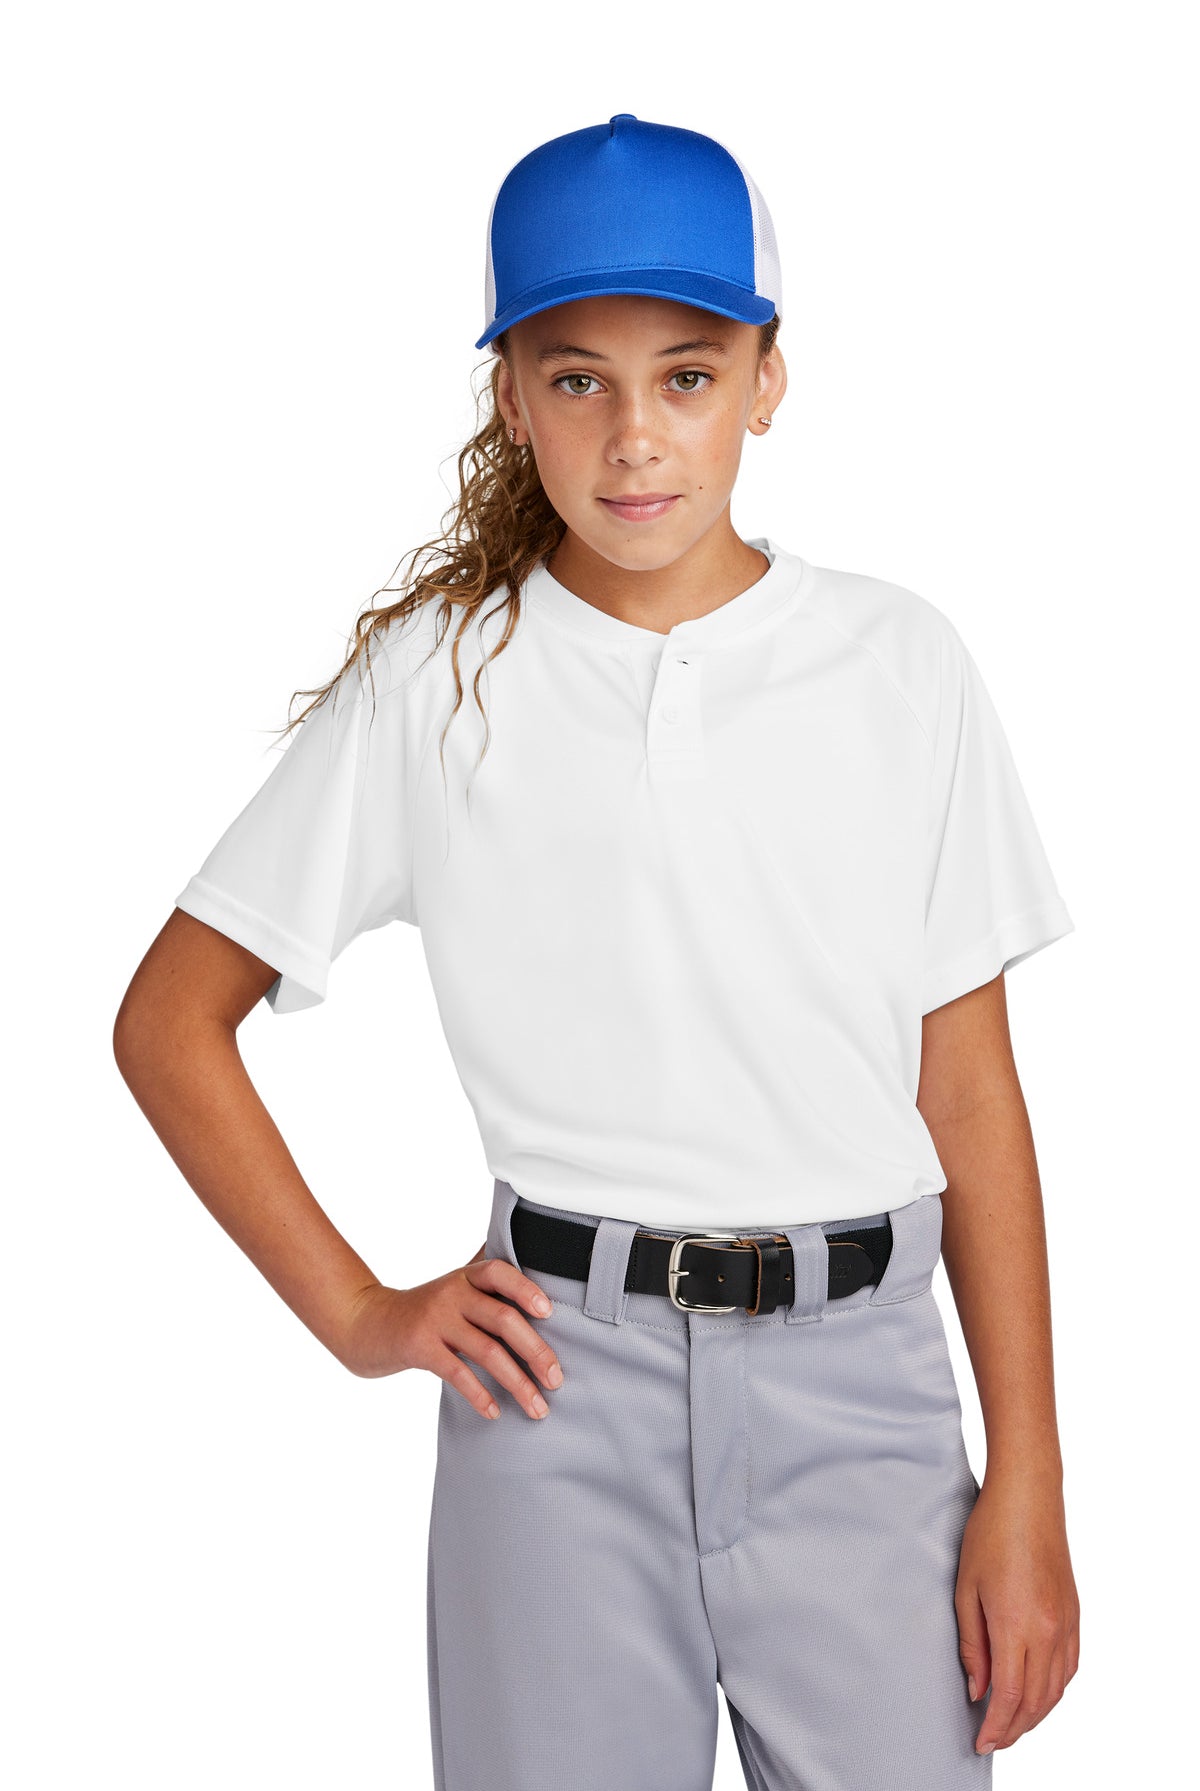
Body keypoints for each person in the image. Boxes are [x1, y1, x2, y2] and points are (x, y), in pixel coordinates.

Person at [114, 113, 1081, 1789]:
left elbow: (972, 1095)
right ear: (510, 396)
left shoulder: (898, 666)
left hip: (866, 1403)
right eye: (579, 380)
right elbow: (169, 1020)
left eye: (686, 377)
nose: (636, 437)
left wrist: (1032, 1485)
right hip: (555, 1395)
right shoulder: (443, 681)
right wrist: (361, 1314)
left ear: (768, 379)